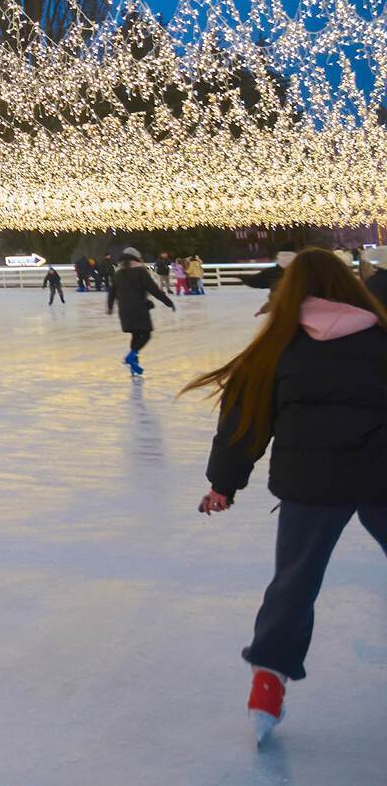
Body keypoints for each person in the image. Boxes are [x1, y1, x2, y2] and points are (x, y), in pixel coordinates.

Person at [185, 248, 387, 743]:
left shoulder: (279, 347)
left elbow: (243, 421)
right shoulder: (384, 337)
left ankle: (267, 685)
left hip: (310, 483)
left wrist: (223, 484)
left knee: (294, 583)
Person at [107, 247, 175, 375]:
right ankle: (131, 357)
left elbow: (111, 292)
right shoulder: (141, 272)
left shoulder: (118, 274)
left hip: (125, 310)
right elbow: (153, 289)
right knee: (146, 334)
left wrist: (110, 307)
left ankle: (134, 365)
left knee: (135, 335)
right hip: (139, 309)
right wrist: (168, 302)